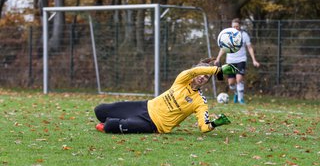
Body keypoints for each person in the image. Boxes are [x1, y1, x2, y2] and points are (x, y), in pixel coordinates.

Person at [94, 58, 238, 134]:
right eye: (201, 74)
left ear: (207, 82)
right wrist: (217, 70)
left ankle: (113, 123)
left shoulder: (200, 101)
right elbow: (191, 72)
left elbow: (204, 127)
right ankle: (116, 121)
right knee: (99, 110)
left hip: (153, 124)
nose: (202, 78)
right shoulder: (182, 80)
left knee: (110, 125)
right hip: (143, 106)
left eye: (206, 77)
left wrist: (215, 123)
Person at [215, 18, 260, 104]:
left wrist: (254, 60)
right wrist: (218, 58)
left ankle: (241, 99)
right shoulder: (228, 36)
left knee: (239, 79)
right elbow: (223, 48)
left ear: (240, 26)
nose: (235, 28)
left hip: (241, 60)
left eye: (237, 26)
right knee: (231, 83)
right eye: (234, 26)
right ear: (231, 26)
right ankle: (236, 93)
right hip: (230, 61)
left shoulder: (244, 35)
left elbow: (249, 48)